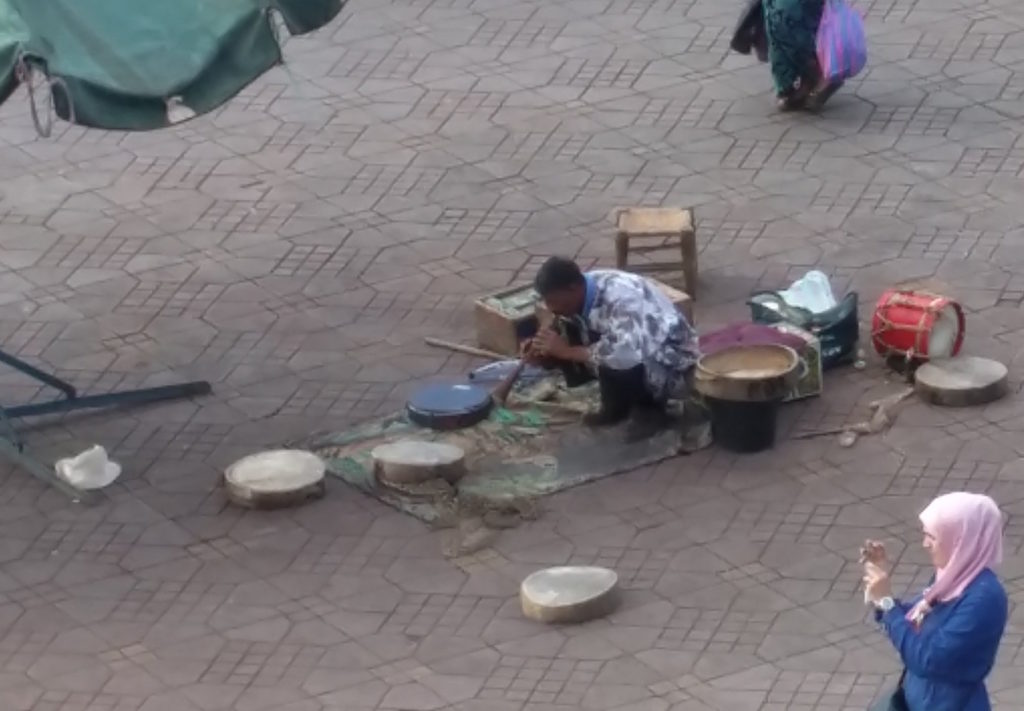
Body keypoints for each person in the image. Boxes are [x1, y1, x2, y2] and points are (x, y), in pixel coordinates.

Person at [861, 492, 1007, 711]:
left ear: (959, 540)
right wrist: (880, 591)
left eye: (933, 537)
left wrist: (888, 603)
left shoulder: (984, 599)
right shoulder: (950, 578)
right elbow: (913, 620)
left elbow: (928, 659)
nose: (925, 544)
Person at [522, 257, 699, 437]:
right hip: (627, 343)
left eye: (553, 300)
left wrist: (566, 352)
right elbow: (569, 329)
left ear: (572, 288)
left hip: (670, 359)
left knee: (621, 358)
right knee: (571, 331)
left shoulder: (623, 298)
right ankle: (616, 406)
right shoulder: (580, 292)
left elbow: (624, 353)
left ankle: (650, 411)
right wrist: (546, 352)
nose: (551, 308)